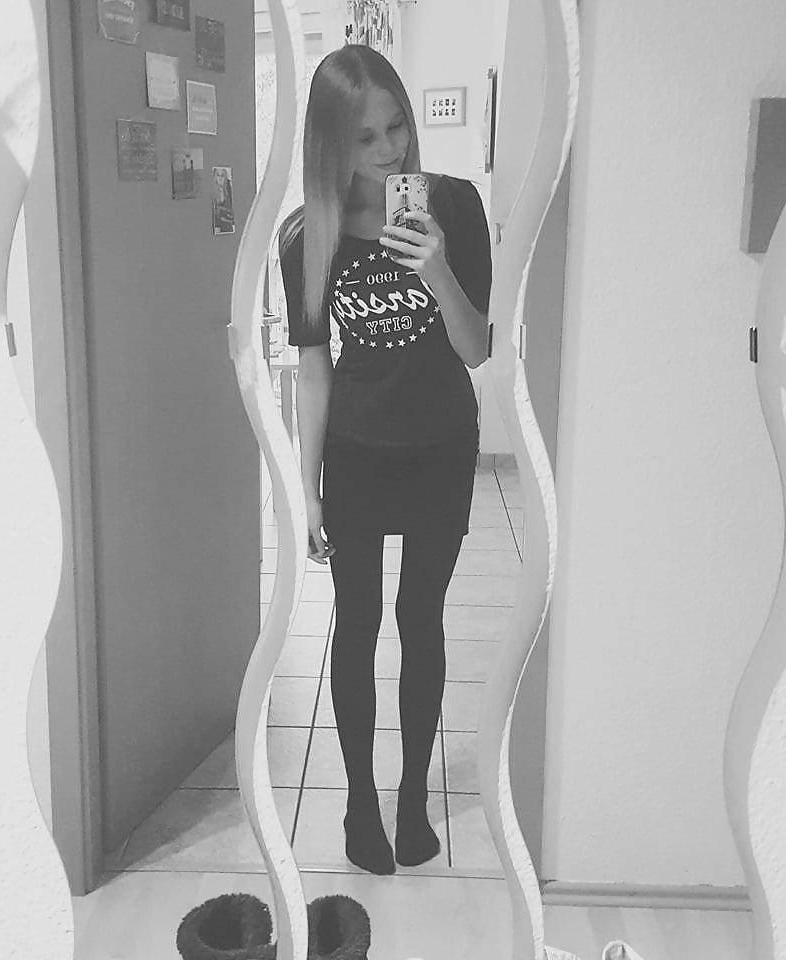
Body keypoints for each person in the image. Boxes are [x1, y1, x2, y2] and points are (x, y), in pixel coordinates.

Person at [278, 44, 492, 875]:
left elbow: (475, 349)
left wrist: (436, 269)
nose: (389, 150)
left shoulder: (457, 208)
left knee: (420, 620)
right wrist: (306, 490)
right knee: (358, 623)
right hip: (358, 454)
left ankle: (410, 801)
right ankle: (360, 804)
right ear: (332, 144)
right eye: (364, 138)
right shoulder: (309, 237)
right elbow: (314, 367)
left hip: (441, 445)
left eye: (396, 126)